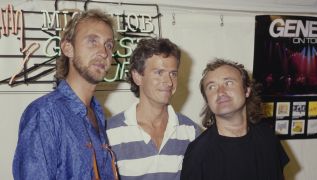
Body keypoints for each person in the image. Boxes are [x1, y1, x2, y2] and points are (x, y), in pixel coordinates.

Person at [13, 9, 118, 180]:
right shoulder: (45, 113)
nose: (104, 52)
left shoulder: (97, 113)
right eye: (93, 41)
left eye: (108, 45)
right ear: (68, 48)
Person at [106, 38, 201, 180]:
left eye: (173, 74)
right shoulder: (109, 133)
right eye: (159, 72)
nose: (169, 82)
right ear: (137, 77)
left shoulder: (191, 132)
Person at [181, 59, 289, 180]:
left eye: (229, 83)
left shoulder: (268, 137)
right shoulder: (198, 153)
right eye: (211, 87)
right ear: (207, 100)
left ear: (247, 90)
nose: (220, 92)